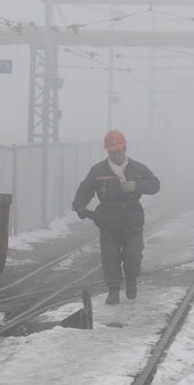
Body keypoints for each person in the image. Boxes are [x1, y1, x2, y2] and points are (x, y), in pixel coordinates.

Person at [72, 130, 160, 304]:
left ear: (125, 148)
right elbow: (85, 189)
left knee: (133, 254)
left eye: (119, 150)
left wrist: (137, 186)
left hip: (132, 218)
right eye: (112, 151)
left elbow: (155, 185)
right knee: (110, 256)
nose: (116, 154)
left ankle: (131, 280)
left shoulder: (138, 168)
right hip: (108, 219)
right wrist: (80, 205)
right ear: (107, 151)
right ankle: (113, 290)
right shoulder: (98, 170)